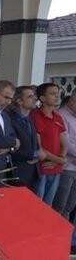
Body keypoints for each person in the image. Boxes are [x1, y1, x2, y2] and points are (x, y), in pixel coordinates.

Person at [31, 82, 68, 208]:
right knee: (37, 206)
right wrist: (60, 160)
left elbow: (65, 143)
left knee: (48, 207)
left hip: (55, 168)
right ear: (42, 98)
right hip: (41, 168)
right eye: (52, 94)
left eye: (58, 94)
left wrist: (59, 160)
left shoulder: (58, 117)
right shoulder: (35, 116)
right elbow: (39, 147)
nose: (57, 97)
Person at [6, 85, 41, 191]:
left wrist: (37, 154)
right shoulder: (10, 120)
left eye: (34, 96)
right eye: (30, 96)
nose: (35, 98)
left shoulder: (29, 119)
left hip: (33, 172)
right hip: (18, 173)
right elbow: (11, 147)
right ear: (19, 101)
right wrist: (35, 154)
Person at [57, 95, 76, 230]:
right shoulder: (61, 115)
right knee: (60, 206)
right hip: (66, 168)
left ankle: (65, 238)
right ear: (72, 101)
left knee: (69, 206)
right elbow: (66, 144)